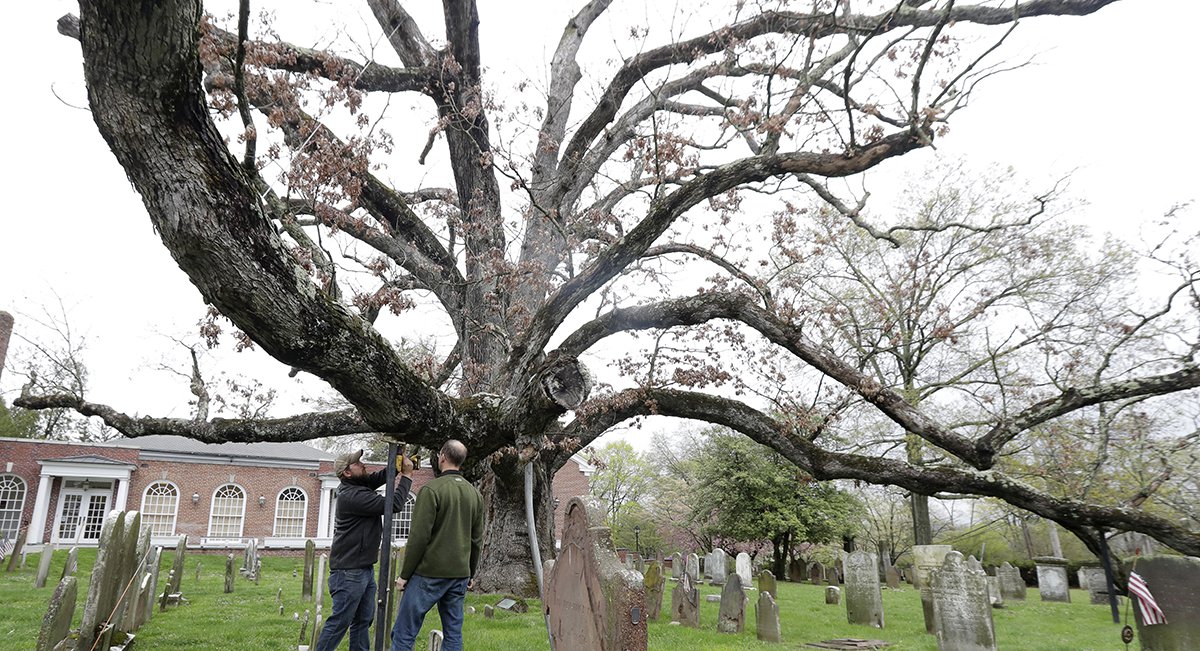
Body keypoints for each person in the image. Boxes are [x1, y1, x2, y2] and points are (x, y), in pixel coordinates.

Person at [389, 439, 484, 651]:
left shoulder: (431, 490)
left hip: (429, 573)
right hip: (459, 574)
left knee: (404, 631)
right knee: (453, 634)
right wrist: (471, 572)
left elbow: (419, 537)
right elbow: (477, 540)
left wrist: (404, 575)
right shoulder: (475, 494)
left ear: (442, 457)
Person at [315, 449, 413, 651]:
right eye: (357, 464)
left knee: (362, 621)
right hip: (348, 572)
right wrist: (408, 477)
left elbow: (383, 475)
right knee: (340, 622)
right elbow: (393, 504)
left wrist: (400, 453)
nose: (363, 464)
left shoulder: (359, 484)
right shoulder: (352, 496)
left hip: (363, 569)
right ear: (347, 473)